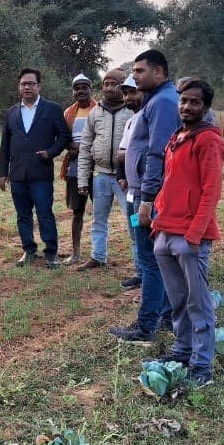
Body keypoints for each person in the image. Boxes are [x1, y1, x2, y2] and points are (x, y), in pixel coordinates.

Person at [151, 78, 224, 385]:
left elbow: (211, 191)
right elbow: (170, 183)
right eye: (184, 101)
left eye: (195, 102)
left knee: (198, 302)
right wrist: (157, 223)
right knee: (178, 299)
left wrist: (195, 234)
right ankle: (182, 350)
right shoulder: (178, 137)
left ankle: (202, 366)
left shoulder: (209, 140)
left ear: (205, 107)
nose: (187, 106)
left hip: (190, 236)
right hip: (166, 230)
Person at [109, 49, 181, 341]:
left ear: (159, 73)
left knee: (150, 260)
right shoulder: (155, 100)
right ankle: (164, 316)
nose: (134, 76)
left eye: (140, 71)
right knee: (157, 259)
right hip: (142, 192)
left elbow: (157, 154)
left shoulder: (163, 102)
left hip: (148, 195)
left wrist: (148, 199)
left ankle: (146, 326)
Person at [0, 67, 70, 268]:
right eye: (24, 84)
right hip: (18, 173)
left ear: (39, 86)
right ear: (19, 87)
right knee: (23, 215)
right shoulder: (11, 113)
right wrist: (3, 173)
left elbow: (64, 137)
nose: (27, 87)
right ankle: (28, 250)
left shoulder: (52, 109)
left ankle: (51, 253)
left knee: (44, 213)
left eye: (31, 83)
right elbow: (5, 145)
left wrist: (50, 152)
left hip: (41, 172)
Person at [75, 69, 134, 271]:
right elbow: (84, 147)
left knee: (133, 220)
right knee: (98, 219)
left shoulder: (133, 110)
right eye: (106, 84)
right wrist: (83, 179)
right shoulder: (95, 113)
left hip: (127, 178)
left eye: (114, 84)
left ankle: (141, 263)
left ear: (124, 85)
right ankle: (98, 256)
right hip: (100, 176)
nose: (109, 88)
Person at [60, 74, 98, 265]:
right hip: (75, 168)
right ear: (73, 91)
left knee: (99, 211)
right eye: (77, 88)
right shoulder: (68, 113)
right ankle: (75, 253)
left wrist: (82, 148)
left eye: (84, 87)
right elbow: (62, 137)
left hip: (98, 167)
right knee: (77, 211)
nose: (80, 91)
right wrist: (70, 146)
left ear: (91, 89)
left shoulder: (100, 110)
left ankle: (98, 253)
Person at [115, 75, 144, 288]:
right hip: (131, 190)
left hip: (145, 191)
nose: (128, 98)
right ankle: (140, 271)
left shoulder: (147, 118)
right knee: (135, 231)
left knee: (144, 233)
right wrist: (121, 176)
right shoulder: (130, 121)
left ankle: (147, 273)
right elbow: (121, 153)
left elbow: (129, 153)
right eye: (125, 93)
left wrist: (127, 156)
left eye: (133, 92)